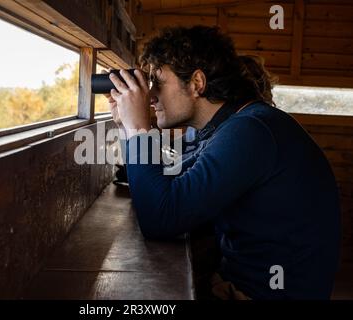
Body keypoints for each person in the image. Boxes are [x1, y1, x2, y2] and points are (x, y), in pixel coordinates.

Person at [104, 25, 341, 300]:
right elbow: (167, 182)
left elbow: (160, 217)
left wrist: (138, 129)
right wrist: (127, 126)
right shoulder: (235, 125)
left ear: (197, 83)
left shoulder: (252, 130)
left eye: (157, 82)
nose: (151, 95)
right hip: (241, 280)